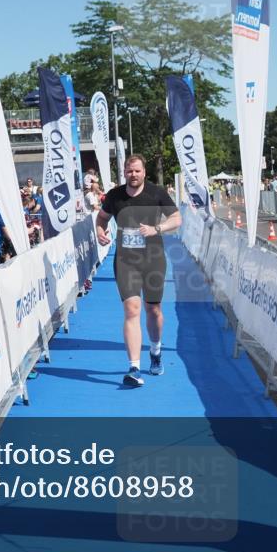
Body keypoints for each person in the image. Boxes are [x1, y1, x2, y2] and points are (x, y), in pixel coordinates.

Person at [95, 155, 181, 388]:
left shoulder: (157, 193)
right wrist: (100, 231)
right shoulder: (115, 195)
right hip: (125, 260)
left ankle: (155, 351)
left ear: (144, 172)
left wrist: (157, 228)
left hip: (153, 259)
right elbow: (101, 218)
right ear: (124, 172)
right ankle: (134, 367)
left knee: (153, 310)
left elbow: (176, 218)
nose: (133, 175)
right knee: (132, 309)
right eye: (129, 171)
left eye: (137, 171)